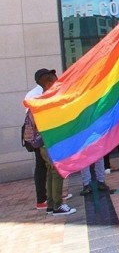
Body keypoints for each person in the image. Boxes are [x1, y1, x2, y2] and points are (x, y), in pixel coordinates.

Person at [31, 69, 77, 216]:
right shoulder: (48, 100)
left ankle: (51, 204)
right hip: (51, 143)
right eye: (54, 80)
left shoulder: (40, 100)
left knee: (51, 172)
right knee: (57, 172)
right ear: (48, 82)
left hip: (44, 144)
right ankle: (58, 205)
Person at [24, 79, 47, 210]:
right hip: (38, 136)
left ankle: (50, 196)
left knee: (46, 166)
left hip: (40, 135)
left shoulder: (36, 92)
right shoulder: (35, 93)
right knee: (41, 165)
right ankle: (42, 199)